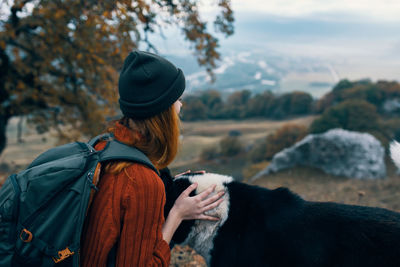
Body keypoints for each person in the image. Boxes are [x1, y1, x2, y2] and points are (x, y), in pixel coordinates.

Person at [80, 51, 225, 266]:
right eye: (178, 99)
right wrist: (177, 213)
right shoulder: (141, 181)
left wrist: (164, 184)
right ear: (163, 111)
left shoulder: (104, 145)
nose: (181, 105)